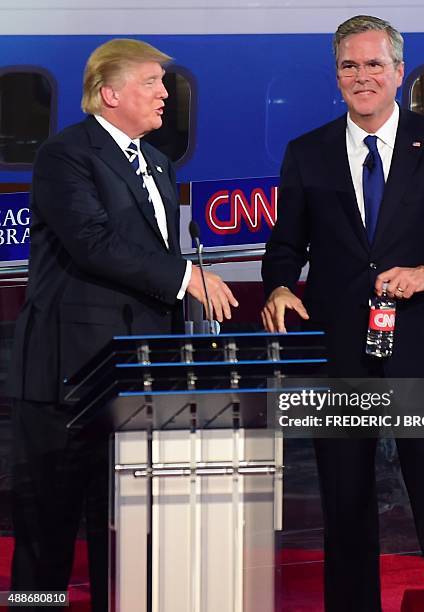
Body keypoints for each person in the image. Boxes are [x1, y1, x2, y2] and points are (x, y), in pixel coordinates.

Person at [261, 15, 424, 612]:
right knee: (344, 503)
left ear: (399, 72)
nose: (362, 76)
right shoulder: (307, 153)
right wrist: (276, 287)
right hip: (341, 353)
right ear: (336, 75)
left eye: (375, 64)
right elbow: (286, 246)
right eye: (350, 65)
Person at [8, 38, 238, 610]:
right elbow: (93, 244)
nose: (166, 94)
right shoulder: (66, 155)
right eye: (152, 83)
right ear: (109, 93)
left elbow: (146, 259)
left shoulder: (158, 163)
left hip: (139, 375)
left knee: (128, 526)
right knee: (50, 526)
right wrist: (188, 279)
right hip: (71, 373)